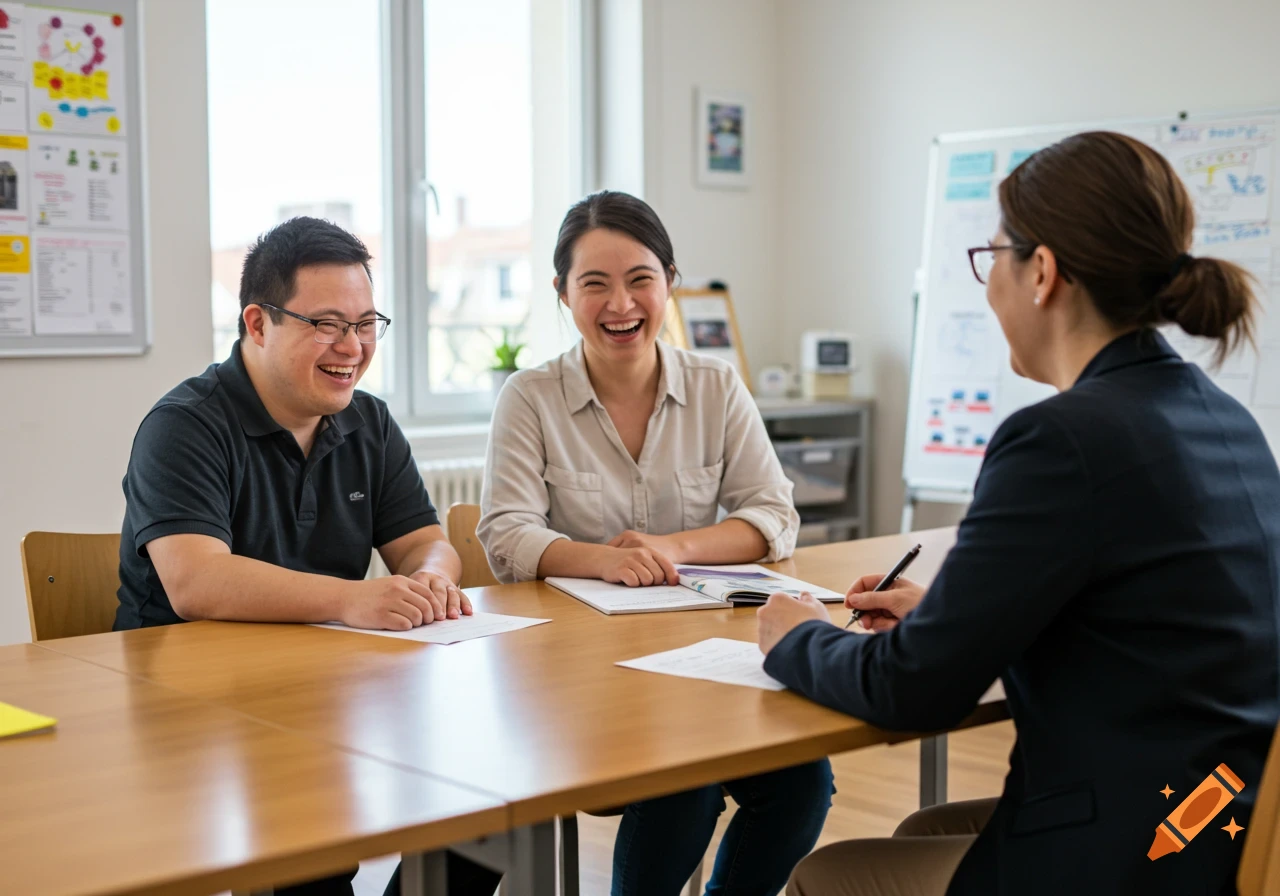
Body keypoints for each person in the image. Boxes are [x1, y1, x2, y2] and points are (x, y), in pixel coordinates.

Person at [757, 131, 1280, 896]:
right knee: (920, 831)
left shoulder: (1061, 440)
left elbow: (913, 691)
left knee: (825, 877)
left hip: (1141, 857)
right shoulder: (1227, 420)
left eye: (992, 257)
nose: (988, 282)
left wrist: (795, 637)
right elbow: (1144, 622)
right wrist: (953, 617)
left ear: (1042, 272)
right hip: (1219, 817)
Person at [114, 217, 497, 896]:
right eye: (326, 324)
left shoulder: (367, 422)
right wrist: (354, 598)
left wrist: (432, 582)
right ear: (257, 325)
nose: (352, 347)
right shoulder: (184, 425)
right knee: (308, 865)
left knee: (485, 806)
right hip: (190, 713)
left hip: (319, 697)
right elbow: (195, 580)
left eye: (366, 323)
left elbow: (424, 544)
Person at [478, 190, 832, 896]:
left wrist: (674, 547)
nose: (621, 304)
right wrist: (604, 558)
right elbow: (505, 534)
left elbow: (772, 514)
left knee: (802, 781)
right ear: (561, 293)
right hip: (577, 677)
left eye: (641, 279)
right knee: (683, 780)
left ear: (670, 281)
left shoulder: (715, 385)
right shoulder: (530, 396)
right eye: (595, 284)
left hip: (701, 660)